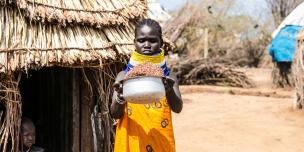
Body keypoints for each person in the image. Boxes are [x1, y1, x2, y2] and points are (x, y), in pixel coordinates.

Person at [111, 18, 183, 152]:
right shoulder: (123, 76)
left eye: (153, 40)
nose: (147, 45)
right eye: (141, 40)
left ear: (161, 42)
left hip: (160, 141)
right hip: (132, 141)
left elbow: (178, 108)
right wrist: (120, 96)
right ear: (134, 43)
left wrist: (169, 90)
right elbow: (115, 114)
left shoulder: (168, 76)